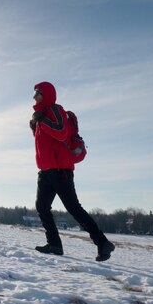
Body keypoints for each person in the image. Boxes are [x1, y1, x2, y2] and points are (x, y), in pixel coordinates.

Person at [30, 81, 115, 261]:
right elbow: (46, 142)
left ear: (46, 94)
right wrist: (35, 126)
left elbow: (60, 132)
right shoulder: (42, 114)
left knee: (74, 209)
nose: (34, 96)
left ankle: (102, 243)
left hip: (61, 170)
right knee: (42, 207)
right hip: (46, 171)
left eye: (37, 92)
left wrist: (42, 120)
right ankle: (54, 244)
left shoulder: (54, 110)